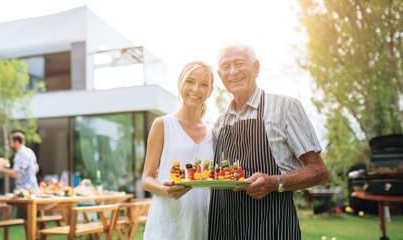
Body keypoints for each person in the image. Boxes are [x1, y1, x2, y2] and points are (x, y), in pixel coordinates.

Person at [207, 43, 329, 239]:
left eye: (239, 63)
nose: (233, 72)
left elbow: (319, 171)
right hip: (225, 229)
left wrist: (274, 182)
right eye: (226, 66)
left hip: (272, 227)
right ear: (220, 75)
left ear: (256, 68)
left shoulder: (285, 107)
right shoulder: (219, 124)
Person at [141, 61, 215, 240]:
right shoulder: (163, 124)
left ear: (210, 91)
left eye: (204, 84)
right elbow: (146, 178)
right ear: (180, 84)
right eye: (190, 81)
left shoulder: (213, 133)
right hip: (169, 223)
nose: (196, 89)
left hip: (202, 223)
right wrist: (164, 189)